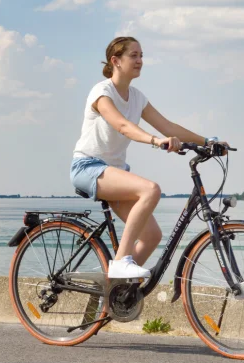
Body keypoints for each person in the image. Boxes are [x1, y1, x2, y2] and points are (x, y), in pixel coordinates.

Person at [70, 36, 227, 279]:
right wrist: (155, 141)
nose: (140, 60)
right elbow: (122, 125)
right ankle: (121, 261)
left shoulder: (137, 97)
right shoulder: (101, 92)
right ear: (116, 61)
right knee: (151, 189)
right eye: (133, 55)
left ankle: (114, 291)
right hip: (87, 168)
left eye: (141, 55)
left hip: (115, 172)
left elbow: (167, 126)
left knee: (152, 236)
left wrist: (207, 142)